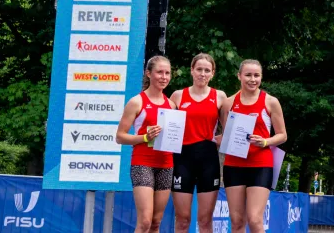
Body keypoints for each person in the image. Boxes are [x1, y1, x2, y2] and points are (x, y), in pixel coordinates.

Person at [220, 59, 287, 233]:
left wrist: (265, 141)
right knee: (236, 221)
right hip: (234, 165)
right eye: (248, 75)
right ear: (239, 76)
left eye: (256, 75)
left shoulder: (270, 101)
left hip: (260, 164)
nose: (252, 79)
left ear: (261, 77)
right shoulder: (228, 103)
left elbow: (282, 135)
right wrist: (215, 139)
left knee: (255, 219)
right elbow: (227, 136)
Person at [116, 55, 176, 233]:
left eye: (167, 73)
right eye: (159, 72)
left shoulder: (172, 105)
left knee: (156, 222)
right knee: (144, 221)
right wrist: (144, 138)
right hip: (142, 163)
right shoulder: (137, 102)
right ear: (148, 73)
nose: (163, 77)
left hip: (166, 163)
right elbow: (120, 136)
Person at [169, 53, 227, 233]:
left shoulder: (220, 96)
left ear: (212, 74)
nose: (202, 73)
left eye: (207, 70)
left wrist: (220, 139)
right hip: (182, 160)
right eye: (199, 69)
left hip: (208, 160)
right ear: (192, 71)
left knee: (205, 220)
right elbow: (167, 128)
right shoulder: (178, 96)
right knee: (183, 219)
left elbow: (230, 131)